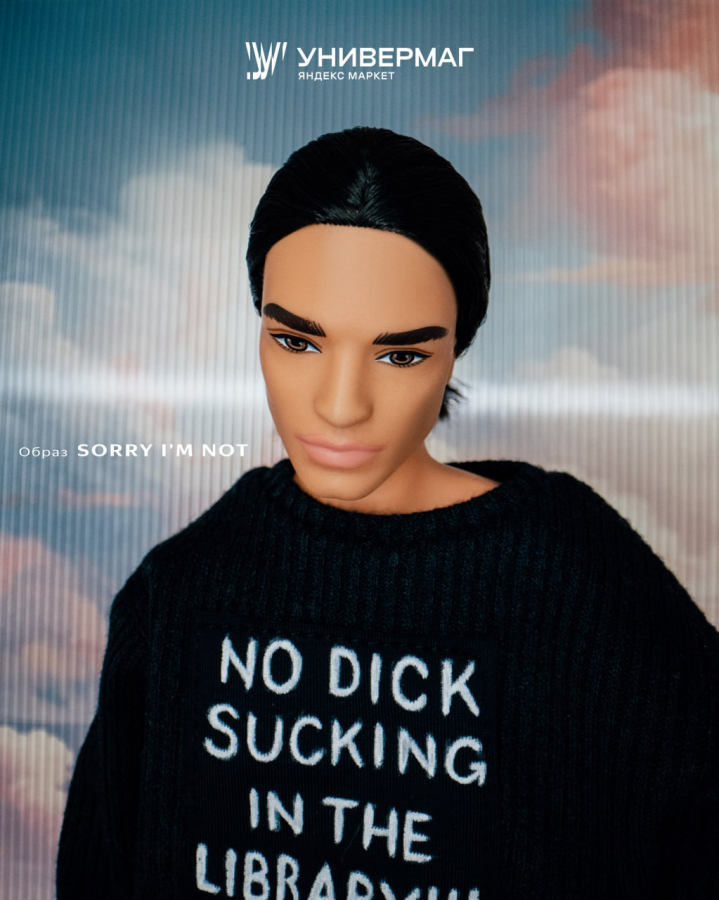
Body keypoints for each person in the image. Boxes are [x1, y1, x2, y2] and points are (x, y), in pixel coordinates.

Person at [56, 126, 719, 899]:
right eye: (295, 341)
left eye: (400, 354)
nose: (341, 406)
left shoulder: (577, 583)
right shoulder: (178, 592)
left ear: (456, 348)